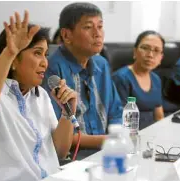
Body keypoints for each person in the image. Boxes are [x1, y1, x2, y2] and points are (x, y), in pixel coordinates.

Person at [0, 11, 77, 181]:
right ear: (14, 60)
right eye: (37, 53)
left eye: (46, 55)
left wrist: (67, 114)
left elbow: (59, 151)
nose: (45, 62)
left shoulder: (42, 96)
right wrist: (9, 52)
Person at [42, 2, 123, 156]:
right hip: (71, 157)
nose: (97, 33)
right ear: (66, 35)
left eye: (100, 26)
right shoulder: (51, 70)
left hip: (106, 151)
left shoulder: (102, 64)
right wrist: (109, 140)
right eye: (88, 27)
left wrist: (116, 136)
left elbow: (116, 112)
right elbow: (54, 134)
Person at [112, 31, 165, 130]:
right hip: (133, 134)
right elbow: (121, 120)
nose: (150, 55)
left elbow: (159, 115)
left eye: (156, 50)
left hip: (153, 133)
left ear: (161, 57)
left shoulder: (156, 79)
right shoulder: (121, 78)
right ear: (135, 52)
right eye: (145, 48)